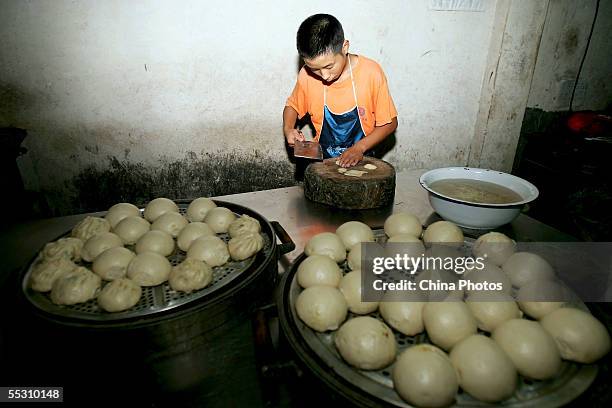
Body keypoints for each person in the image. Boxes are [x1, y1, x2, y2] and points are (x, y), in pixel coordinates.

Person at [283, 14, 398, 167]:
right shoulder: (306, 75)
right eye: (314, 69)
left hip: (364, 159)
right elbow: (292, 106)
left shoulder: (371, 73)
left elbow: (390, 123)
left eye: (329, 66)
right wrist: (288, 129)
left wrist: (359, 147)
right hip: (324, 164)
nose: (324, 75)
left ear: (344, 48)